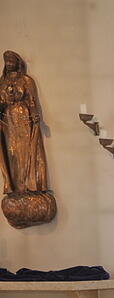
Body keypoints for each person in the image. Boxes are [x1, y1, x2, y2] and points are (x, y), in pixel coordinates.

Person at [0, 50, 47, 195]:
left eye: (11, 61)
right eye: (6, 61)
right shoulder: (1, 82)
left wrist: (35, 115)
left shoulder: (26, 80)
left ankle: (28, 184)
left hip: (23, 117)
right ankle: (14, 187)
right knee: (11, 152)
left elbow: (31, 101)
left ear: (17, 63)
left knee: (24, 152)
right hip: (8, 120)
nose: (9, 64)